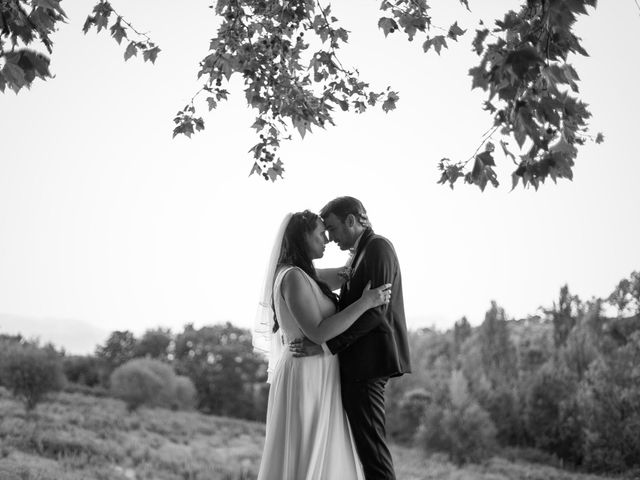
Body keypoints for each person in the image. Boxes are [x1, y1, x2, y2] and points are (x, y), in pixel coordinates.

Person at [253, 210, 392, 480]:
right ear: (303, 237)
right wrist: (366, 303)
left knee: (324, 451)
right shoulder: (293, 277)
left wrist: (362, 235)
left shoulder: (308, 275)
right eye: (320, 233)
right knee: (306, 448)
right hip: (306, 373)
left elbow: (347, 273)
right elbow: (317, 333)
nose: (326, 239)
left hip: (322, 370)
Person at [290, 196, 411, 480]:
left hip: (368, 366)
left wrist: (326, 346)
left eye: (331, 228)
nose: (329, 238)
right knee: (365, 452)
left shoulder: (378, 247)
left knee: (373, 454)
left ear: (351, 221)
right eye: (324, 232)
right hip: (357, 365)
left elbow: (376, 313)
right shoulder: (359, 254)